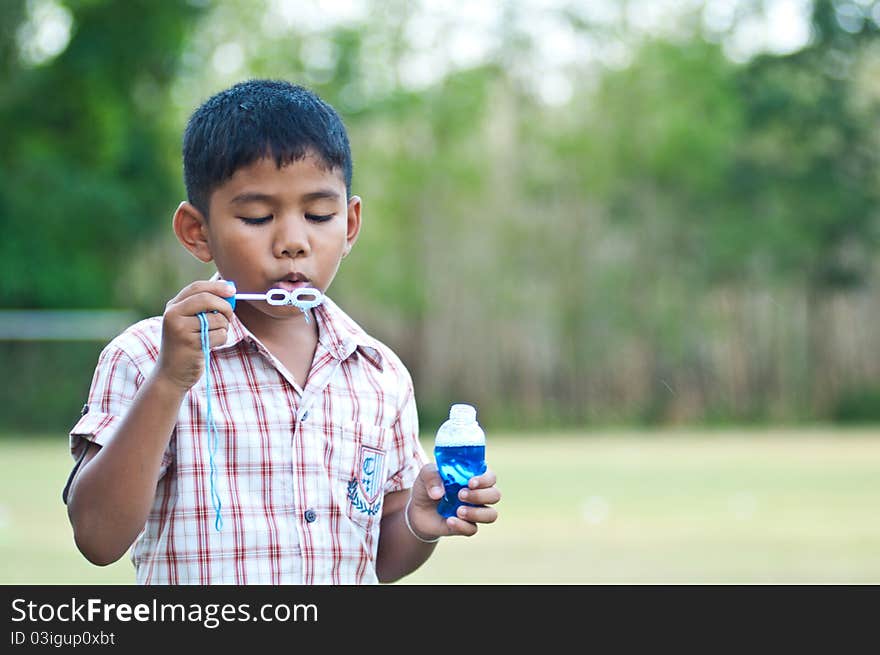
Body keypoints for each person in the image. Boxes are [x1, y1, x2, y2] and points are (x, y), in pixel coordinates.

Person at [63, 79, 501, 584]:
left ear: (351, 224)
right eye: (257, 216)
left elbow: (379, 557)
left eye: (319, 214)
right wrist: (168, 382)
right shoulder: (145, 357)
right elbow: (97, 537)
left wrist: (419, 524)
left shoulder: (380, 374)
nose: (293, 241)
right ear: (197, 232)